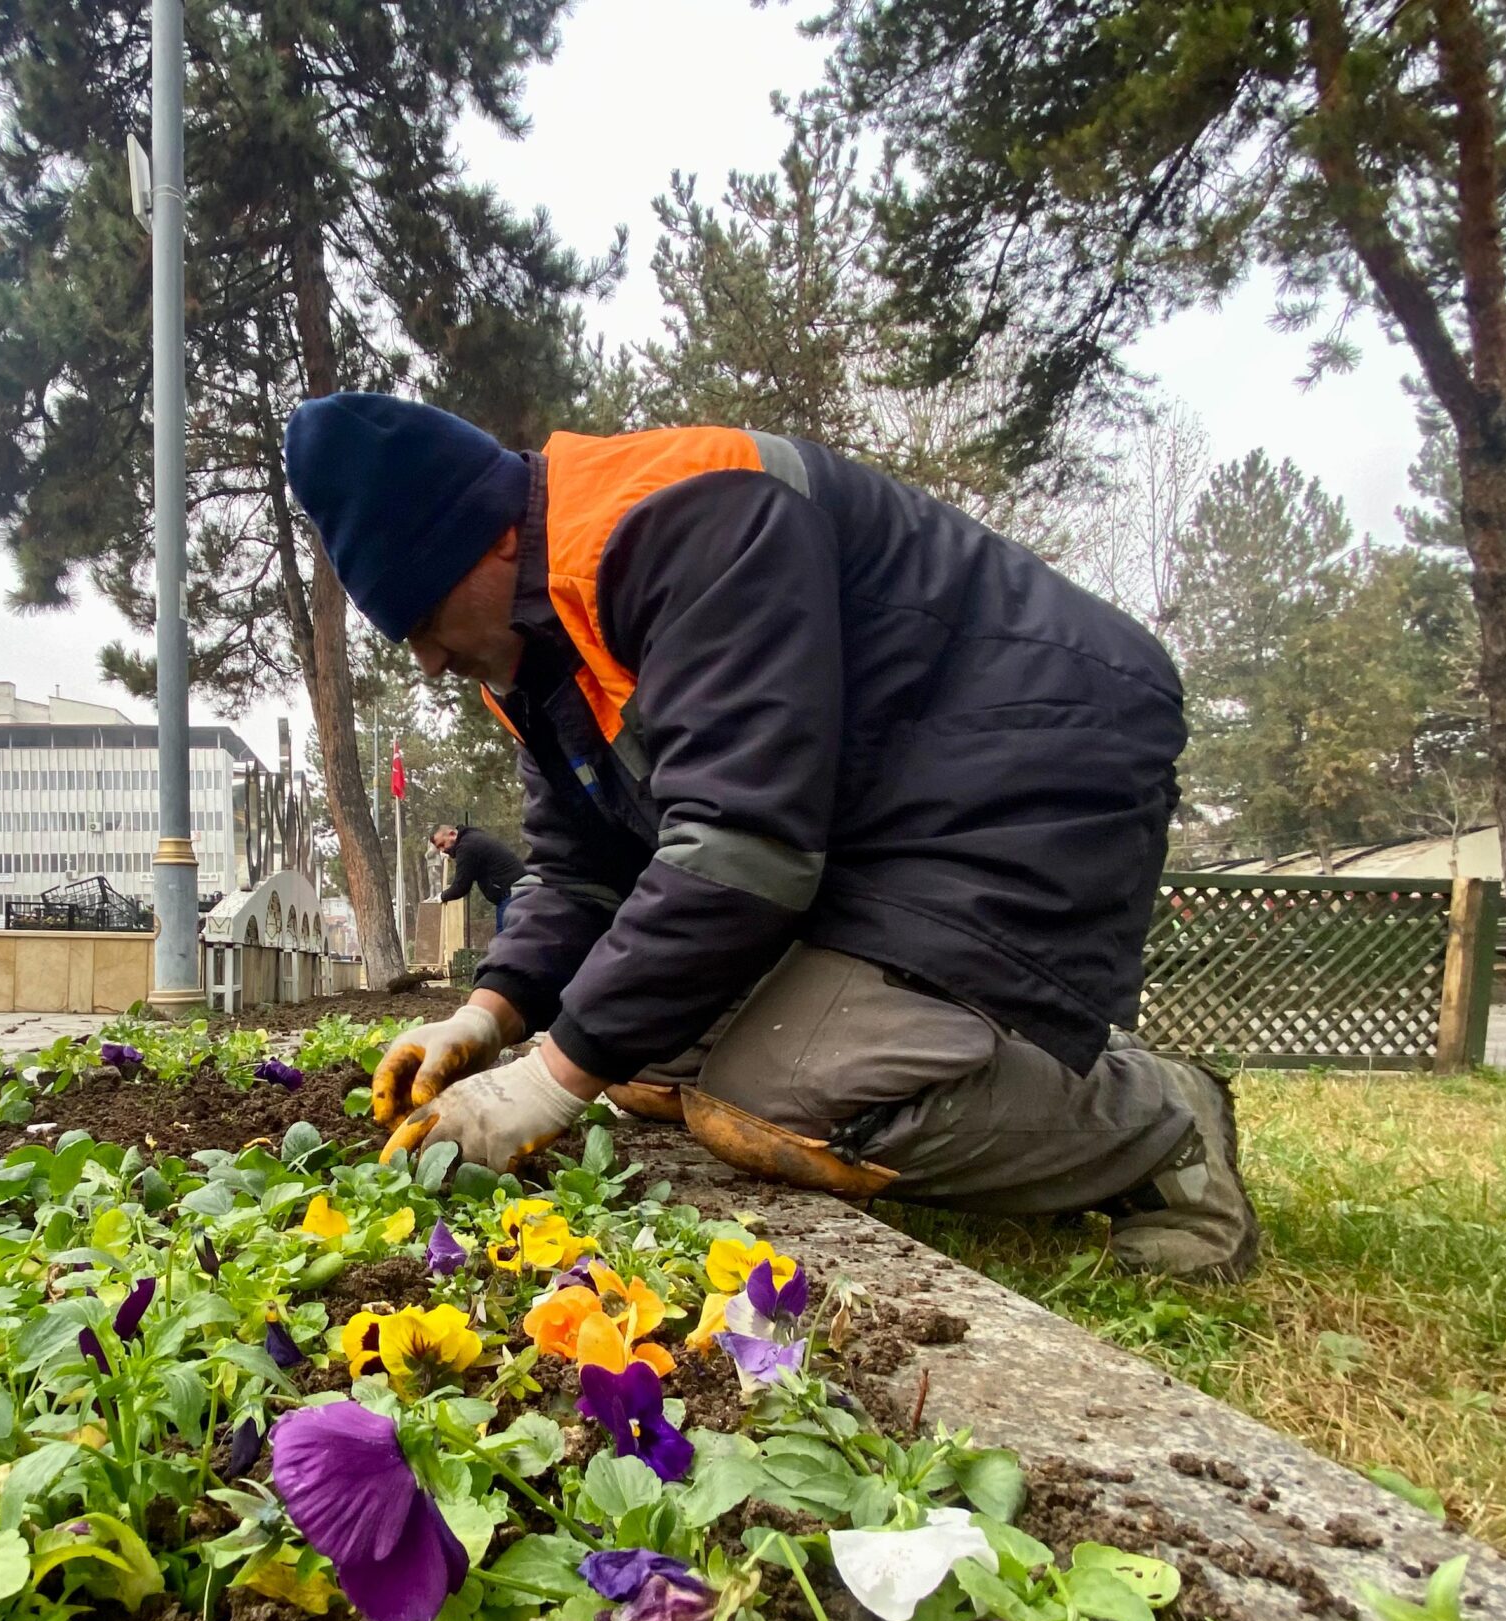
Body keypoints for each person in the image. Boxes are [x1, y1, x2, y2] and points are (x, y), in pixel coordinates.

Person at [283, 394, 1256, 1279]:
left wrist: (544, 1081)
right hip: (868, 799)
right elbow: (583, 870)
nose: (429, 660)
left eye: (421, 617)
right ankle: (996, 1081)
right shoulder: (541, 656)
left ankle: (1160, 1121)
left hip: (1028, 747)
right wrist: (488, 1017)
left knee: (772, 1094)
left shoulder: (686, 520)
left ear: (485, 544)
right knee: (645, 1056)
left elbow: (743, 845)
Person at [432, 823, 528, 934]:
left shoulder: (466, 846)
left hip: (513, 895)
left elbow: (461, 886)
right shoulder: (472, 837)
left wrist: (442, 896)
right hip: (516, 893)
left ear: (452, 834)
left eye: (442, 845)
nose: (442, 850)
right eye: (439, 848)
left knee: (508, 945)